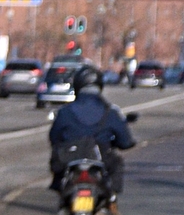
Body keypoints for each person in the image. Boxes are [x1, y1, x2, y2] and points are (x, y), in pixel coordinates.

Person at [47, 66, 134, 205]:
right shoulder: (110, 112)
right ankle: (111, 198)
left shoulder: (65, 111)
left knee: (58, 163)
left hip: (70, 156)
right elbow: (126, 141)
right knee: (117, 164)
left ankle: (63, 197)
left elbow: (54, 137)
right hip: (101, 156)